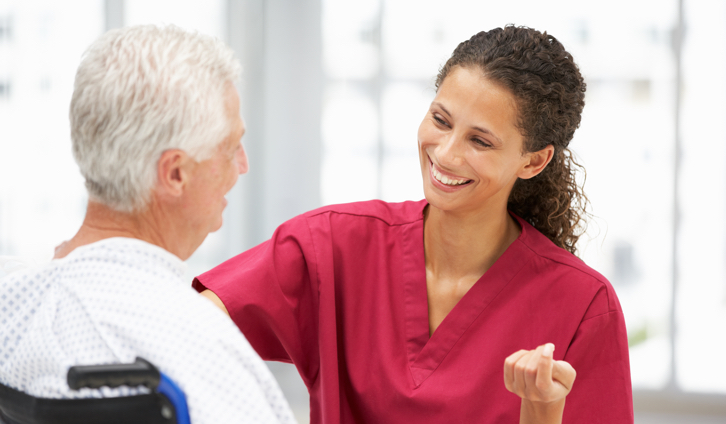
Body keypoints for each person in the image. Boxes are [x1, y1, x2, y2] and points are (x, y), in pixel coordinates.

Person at [195, 26, 633, 423]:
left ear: (533, 161)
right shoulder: (333, 245)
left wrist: (542, 410)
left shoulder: (584, 306)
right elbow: (186, 325)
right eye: (440, 120)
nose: (445, 154)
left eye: (480, 141)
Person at [0, 25, 296, 424]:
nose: (243, 165)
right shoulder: (203, 354)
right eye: (230, 147)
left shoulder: (15, 307)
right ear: (175, 174)